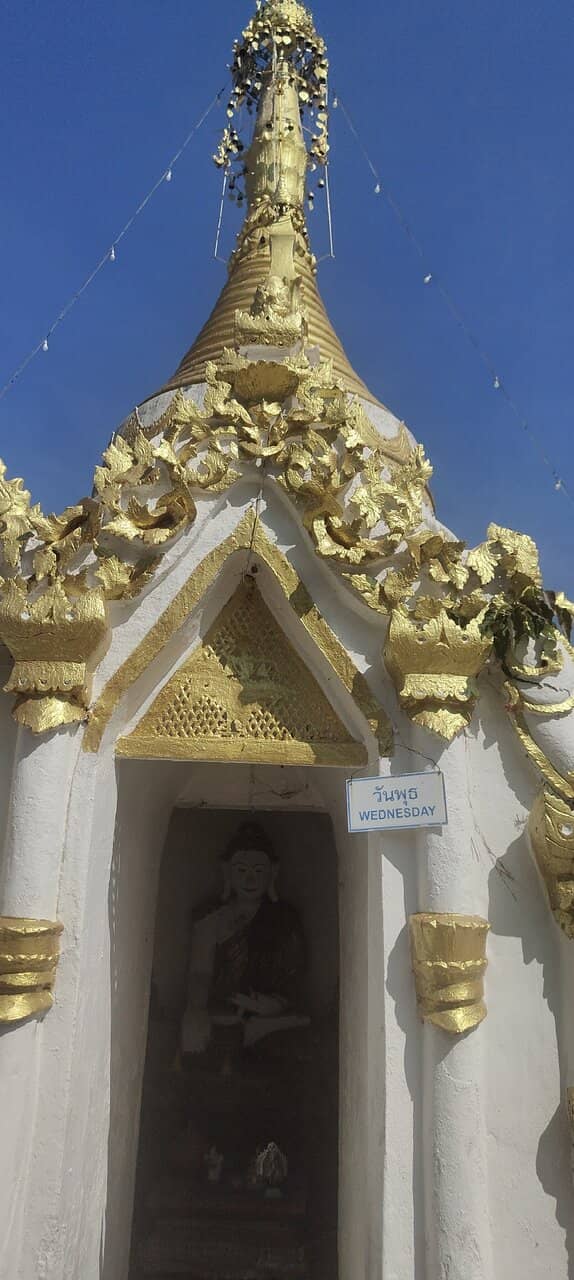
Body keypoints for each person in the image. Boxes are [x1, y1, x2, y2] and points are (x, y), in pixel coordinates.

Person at [181, 822, 307, 1058]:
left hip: (270, 1013)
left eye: (258, 871)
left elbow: (294, 976)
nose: (250, 879)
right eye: (241, 871)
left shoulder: (285, 918)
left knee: (301, 1028)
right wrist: (196, 1007)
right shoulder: (211, 917)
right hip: (223, 1009)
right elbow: (200, 973)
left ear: (273, 872)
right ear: (227, 871)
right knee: (196, 1030)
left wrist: (272, 1004)